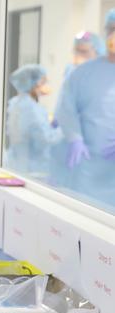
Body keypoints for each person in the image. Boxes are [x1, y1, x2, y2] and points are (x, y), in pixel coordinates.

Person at [54, 9, 115, 207]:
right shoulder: (83, 73)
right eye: (112, 29)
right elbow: (66, 107)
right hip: (87, 165)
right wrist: (75, 138)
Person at [4, 64, 62, 179]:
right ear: (33, 84)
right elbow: (45, 140)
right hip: (32, 169)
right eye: (43, 81)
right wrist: (63, 129)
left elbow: (29, 131)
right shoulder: (31, 108)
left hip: (15, 163)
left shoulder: (16, 103)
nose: (46, 85)